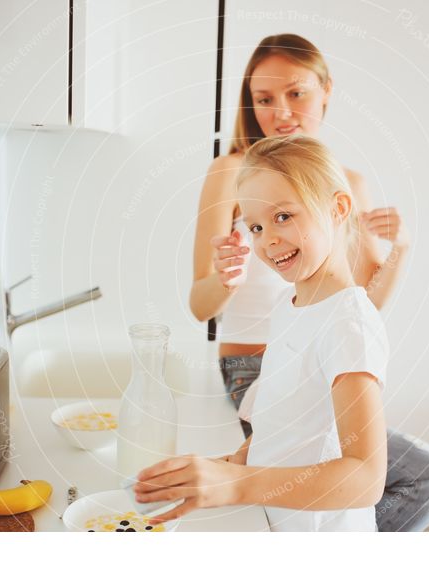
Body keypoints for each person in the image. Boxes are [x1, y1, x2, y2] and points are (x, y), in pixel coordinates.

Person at [188, 34, 429, 531]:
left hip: (321, 356)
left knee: (422, 475)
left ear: (326, 90)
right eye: (264, 99)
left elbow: (360, 307)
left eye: (296, 93)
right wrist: (226, 279)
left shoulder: (344, 182)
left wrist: (402, 251)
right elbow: (199, 307)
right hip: (252, 365)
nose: (280, 111)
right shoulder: (231, 172)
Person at [135, 135, 388, 530]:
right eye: (255, 225)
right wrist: (231, 462)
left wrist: (239, 484)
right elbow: (288, 423)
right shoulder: (290, 306)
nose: (267, 239)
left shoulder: (348, 322)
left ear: (338, 208)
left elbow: (366, 479)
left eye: (283, 216)